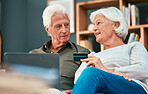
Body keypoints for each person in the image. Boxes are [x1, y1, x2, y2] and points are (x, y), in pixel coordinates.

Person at [71, 7, 148, 94]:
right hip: (104, 90)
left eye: (98, 23)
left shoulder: (133, 46)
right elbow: (78, 79)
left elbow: (143, 70)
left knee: (91, 72)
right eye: (94, 25)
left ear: (115, 25)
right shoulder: (94, 56)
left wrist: (107, 71)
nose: (94, 28)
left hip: (133, 88)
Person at [29, 4, 90, 91]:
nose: (64, 30)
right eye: (59, 26)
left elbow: (89, 84)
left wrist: (75, 91)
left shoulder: (82, 53)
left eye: (67, 25)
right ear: (48, 29)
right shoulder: (34, 54)